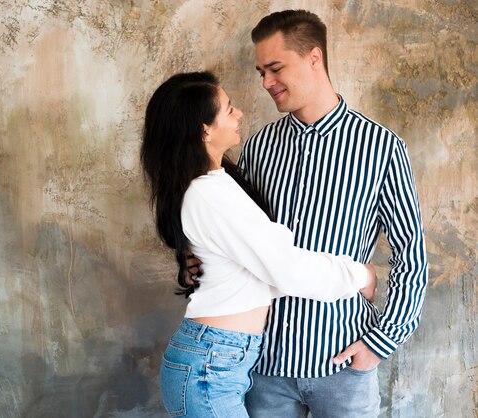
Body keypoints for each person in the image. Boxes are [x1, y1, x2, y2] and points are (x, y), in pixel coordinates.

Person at [140, 71, 378, 417]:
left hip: (220, 361)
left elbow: (260, 269)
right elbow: (287, 268)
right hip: (211, 367)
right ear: (203, 129)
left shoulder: (217, 184)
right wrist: (360, 276)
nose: (239, 115)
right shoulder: (209, 193)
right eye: (229, 109)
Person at [235, 9, 428, 418]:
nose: (267, 83)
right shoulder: (257, 149)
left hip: (342, 366)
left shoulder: (381, 147)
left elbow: (410, 253)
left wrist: (381, 344)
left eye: (274, 69)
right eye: (261, 73)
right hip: (263, 368)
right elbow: (239, 245)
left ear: (314, 58)